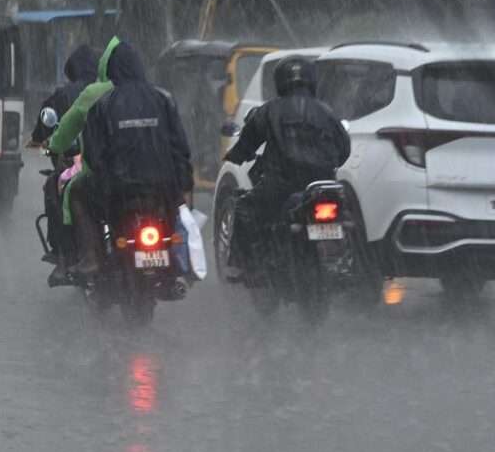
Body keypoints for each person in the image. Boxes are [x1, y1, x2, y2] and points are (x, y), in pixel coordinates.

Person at [74, 41, 194, 275]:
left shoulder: (103, 104)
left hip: (120, 189)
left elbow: (93, 155)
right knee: (181, 218)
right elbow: (180, 148)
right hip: (163, 187)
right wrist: (184, 185)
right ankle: (181, 262)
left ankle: (93, 256)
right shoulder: (163, 99)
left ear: (112, 71)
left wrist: (105, 180)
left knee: (78, 192)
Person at [223, 56, 351, 275]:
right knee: (348, 217)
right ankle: (348, 264)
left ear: (280, 81)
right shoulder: (326, 112)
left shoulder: (270, 110)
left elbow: (247, 141)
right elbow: (344, 149)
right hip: (321, 185)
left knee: (245, 208)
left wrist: (235, 155)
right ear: (311, 80)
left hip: (282, 183)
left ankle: (245, 267)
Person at [33, 45, 99, 286]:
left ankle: (64, 256)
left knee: (54, 187)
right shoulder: (115, 90)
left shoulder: (63, 96)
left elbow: (43, 132)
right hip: (118, 167)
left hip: (81, 166)